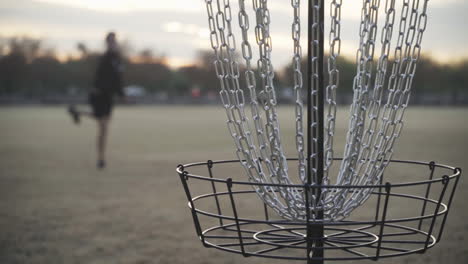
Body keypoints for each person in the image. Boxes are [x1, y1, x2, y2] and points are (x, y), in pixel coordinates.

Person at [68, 32, 125, 169]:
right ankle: (101, 159)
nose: (113, 44)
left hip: (108, 96)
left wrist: (120, 93)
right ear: (108, 43)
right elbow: (103, 78)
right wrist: (119, 93)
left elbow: (118, 79)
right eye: (111, 42)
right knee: (103, 125)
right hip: (99, 95)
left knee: (101, 121)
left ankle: (77, 112)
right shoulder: (105, 58)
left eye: (114, 41)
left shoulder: (117, 59)